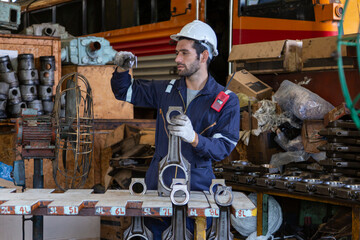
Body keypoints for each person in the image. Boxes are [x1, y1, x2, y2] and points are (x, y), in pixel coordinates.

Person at [111, 20, 240, 238]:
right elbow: (123, 91)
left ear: (204, 55)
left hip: (197, 195)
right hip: (157, 190)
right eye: (177, 53)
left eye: (184, 53)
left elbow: (223, 148)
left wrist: (194, 138)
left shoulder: (226, 100)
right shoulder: (165, 90)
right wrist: (123, 69)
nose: (177, 59)